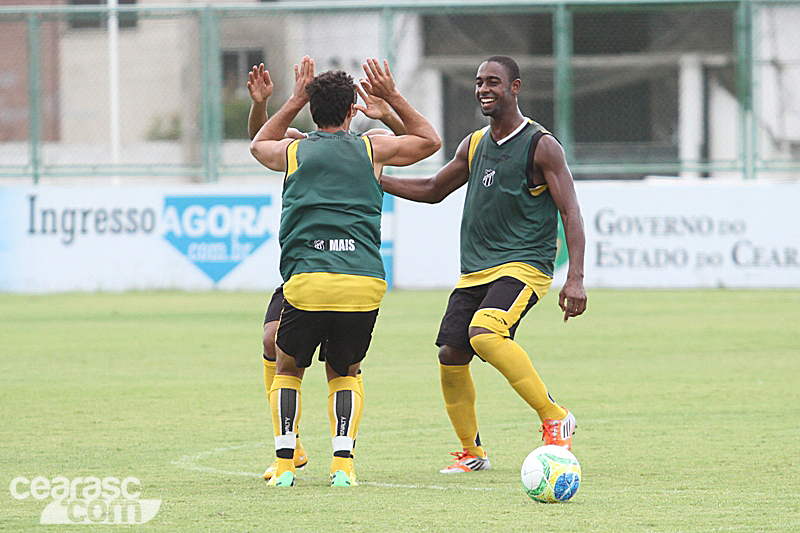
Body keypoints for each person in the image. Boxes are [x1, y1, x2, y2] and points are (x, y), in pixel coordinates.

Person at [380, 55, 587, 474]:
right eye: (478, 82)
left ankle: (555, 416)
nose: (483, 89)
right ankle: (472, 453)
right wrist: (376, 180)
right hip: (476, 269)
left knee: (485, 333)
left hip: (524, 265)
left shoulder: (541, 145)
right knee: (451, 354)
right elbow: (434, 189)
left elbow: (571, 212)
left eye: (493, 81)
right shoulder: (473, 144)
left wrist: (576, 278)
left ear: (515, 88)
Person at [250, 56, 440, 486]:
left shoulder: (295, 148)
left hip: (309, 278)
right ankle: (343, 465)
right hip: (363, 280)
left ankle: (285, 464)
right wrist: (391, 102)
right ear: (353, 108)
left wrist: (289, 100)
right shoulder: (374, 147)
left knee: (287, 367)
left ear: (310, 106)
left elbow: (259, 144)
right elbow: (428, 140)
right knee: (345, 371)